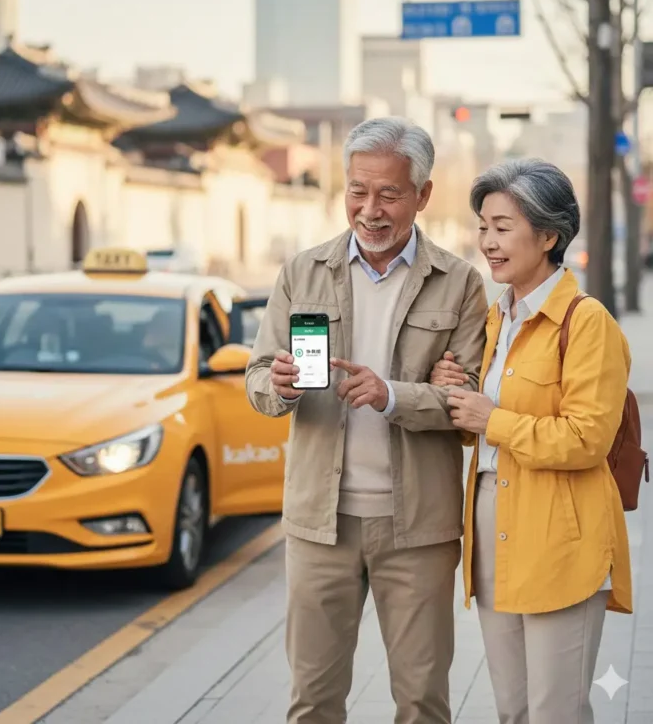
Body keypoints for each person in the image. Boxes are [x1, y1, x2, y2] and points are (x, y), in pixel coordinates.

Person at [245, 116, 489, 724]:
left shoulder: (459, 284)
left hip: (420, 530)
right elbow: (256, 381)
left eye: (389, 193)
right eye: (358, 190)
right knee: (313, 702)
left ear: (423, 195)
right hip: (317, 525)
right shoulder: (302, 273)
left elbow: (472, 406)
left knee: (423, 702)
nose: (370, 209)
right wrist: (276, 387)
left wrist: (391, 396)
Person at [430, 158, 633, 724]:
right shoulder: (500, 319)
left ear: (548, 235)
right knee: (514, 710)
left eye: (502, 227)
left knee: (555, 712)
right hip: (494, 525)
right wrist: (460, 397)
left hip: (561, 533)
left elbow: (588, 439)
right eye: (484, 227)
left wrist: (491, 417)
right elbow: (489, 429)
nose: (488, 242)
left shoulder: (587, 323)